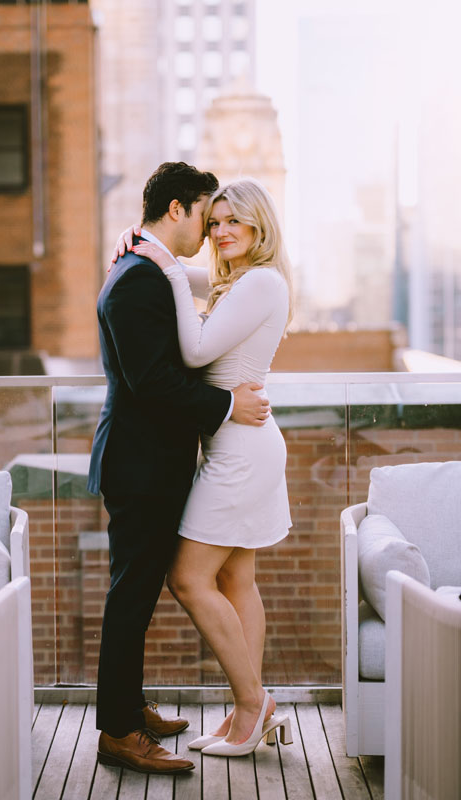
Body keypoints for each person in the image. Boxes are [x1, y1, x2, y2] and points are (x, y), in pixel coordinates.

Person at [88, 163, 272, 775]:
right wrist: (225, 404)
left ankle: (131, 708)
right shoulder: (139, 279)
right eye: (204, 215)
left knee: (140, 593)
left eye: (225, 220)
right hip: (140, 465)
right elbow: (153, 380)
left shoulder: (145, 271)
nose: (207, 230)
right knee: (131, 595)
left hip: (155, 461)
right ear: (176, 210)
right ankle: (118, 729)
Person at [121, 177, 296, 757]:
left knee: (190, 577)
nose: (219, 232)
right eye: (214, 221)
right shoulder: (240, 280)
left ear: (259, 228)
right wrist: (149, 247)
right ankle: (246, 710)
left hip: (242, 452)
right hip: (238, 443)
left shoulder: (262, 282)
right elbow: (186, 275)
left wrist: (166, 267)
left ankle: (254, 704)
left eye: (233, 223)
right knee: (235, 579)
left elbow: (195, 350)